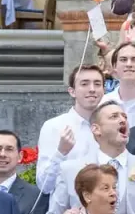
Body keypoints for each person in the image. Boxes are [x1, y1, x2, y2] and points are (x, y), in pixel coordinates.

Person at [46, 102, 135, 214]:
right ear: (96, 129)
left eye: (124, 116)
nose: (122, 120)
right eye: (114, 116)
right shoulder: (70, 170)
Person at [37, 65, 105, 194]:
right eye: (84, 84)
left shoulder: (112, 126)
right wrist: (61, 152)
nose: (92, 89)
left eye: (97, 84)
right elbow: (44, 186)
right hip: (67, 204)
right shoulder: (54, 126)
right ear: (72, 91)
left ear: (103, 90)